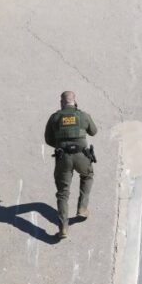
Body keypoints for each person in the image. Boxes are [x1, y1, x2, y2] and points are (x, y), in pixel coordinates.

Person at [44, 91, 98, 238]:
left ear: (61, 102)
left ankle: (63, 228)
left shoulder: (55, 117)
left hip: (63, 158)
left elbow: (48, 139)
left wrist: (61, 144)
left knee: (63, 193)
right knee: (87, 176)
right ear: (75, 101)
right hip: (81, 156)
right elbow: (94, 131)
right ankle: (82, 207)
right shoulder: (83, 115)